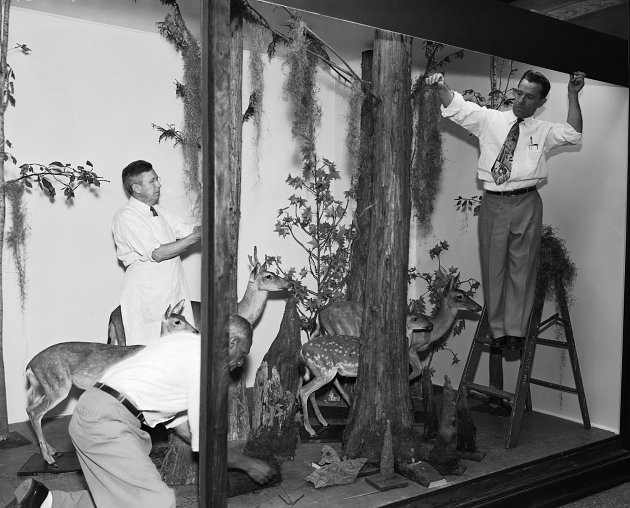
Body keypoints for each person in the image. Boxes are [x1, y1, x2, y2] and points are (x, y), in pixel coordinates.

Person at [12, 315, 276, 508]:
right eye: (244, 352)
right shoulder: (203, 364)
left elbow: (182, 426)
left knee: (119, 496)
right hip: (107, 421)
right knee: (157, 501)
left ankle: (45, 501)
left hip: (92, 414)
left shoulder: (182, 345)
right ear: (232, 342)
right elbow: (205, 443)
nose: (242, 361)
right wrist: (249, 464)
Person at [426, 69, 585, 347]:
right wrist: (441, 87)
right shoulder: (491, 120)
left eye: (529, 97)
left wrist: (572, 94)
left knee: (522, 268)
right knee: (494, 267)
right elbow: (458, 107)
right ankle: (499, 331)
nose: (521, 100)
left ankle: (516, 332)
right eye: (519, 93)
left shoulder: (543, 130)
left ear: (540, 102)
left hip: (528, 202)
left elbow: (573, 133)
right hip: (494, 203)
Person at [112, 160, 201, 345]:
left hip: (172, 292)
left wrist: (212, 223)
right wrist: (193, 238)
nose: (159, 185)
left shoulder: (158, 211)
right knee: (148, 352)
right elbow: (157, 253)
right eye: (152, 181)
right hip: (147, 296)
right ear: (136, 187)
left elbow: (187, 229)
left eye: (157, 179)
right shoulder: (126, 216)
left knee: (178, 349)